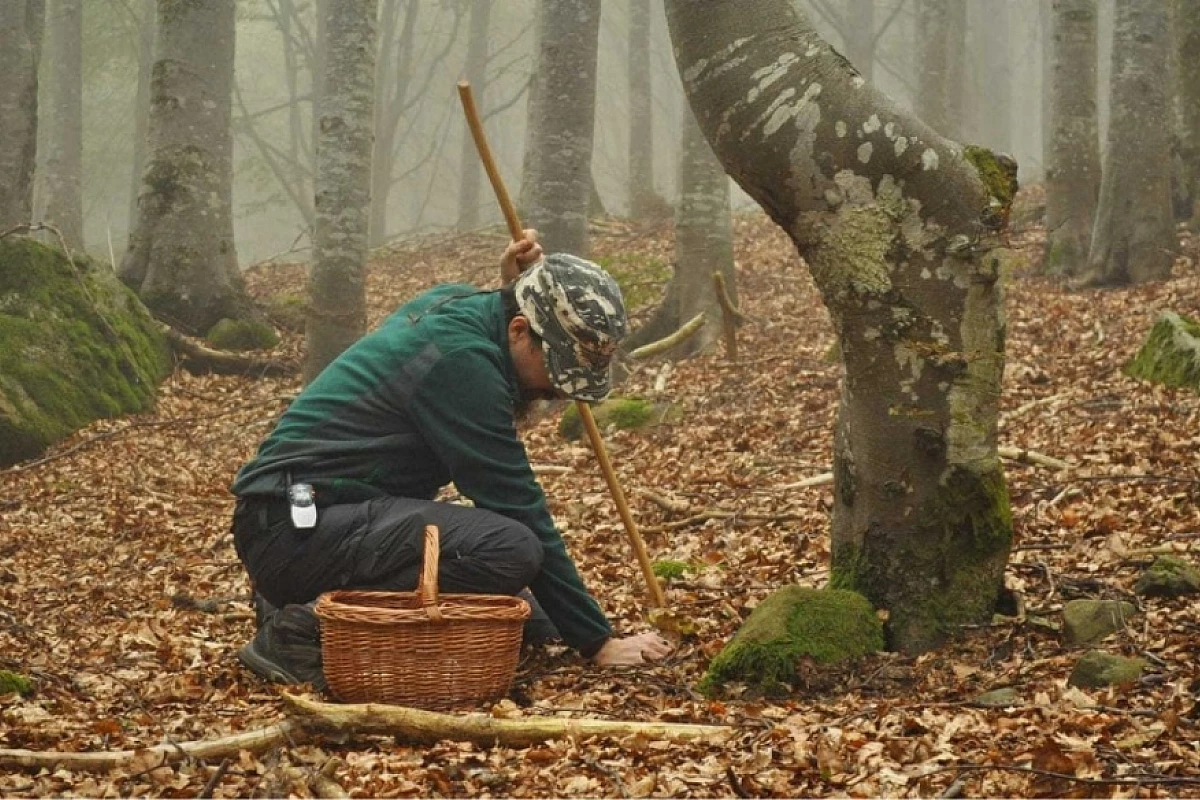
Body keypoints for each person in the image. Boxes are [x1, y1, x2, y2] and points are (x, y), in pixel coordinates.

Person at [229, 231, 673, 686]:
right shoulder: (461, 366)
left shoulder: (460, 306)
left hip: (319, 522)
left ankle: (311, 596)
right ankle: (306, 630)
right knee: (511, 551)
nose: (561, 390)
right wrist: (598, 642)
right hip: (294, 529)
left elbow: (497, 321)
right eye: (558, 371)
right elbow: (517, 506)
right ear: (518, 330)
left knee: (534, 617)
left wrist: (510, 287)